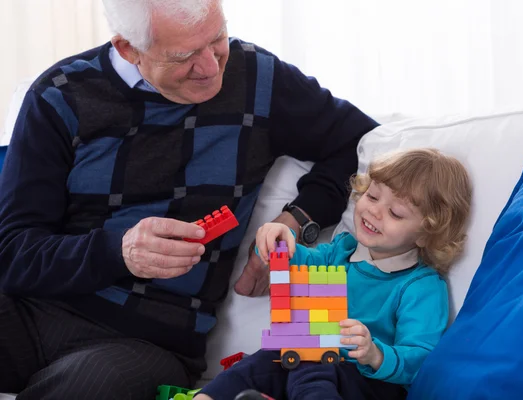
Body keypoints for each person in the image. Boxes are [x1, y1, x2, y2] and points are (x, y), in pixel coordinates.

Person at [0, 0, 379, 398]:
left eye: (217, 39)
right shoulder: (60, 95)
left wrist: (295, 221)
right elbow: (12, 250)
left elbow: (359, 141)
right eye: (184, 56)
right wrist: (119, 251)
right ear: (129, 48)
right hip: (33, 310)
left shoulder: (259, 79)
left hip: (150, 341)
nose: (212, 67)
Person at [195, 148, 473, 400]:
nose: (374, 211)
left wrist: (375, 353)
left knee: (312, 357)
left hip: (369, 384)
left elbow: (420, 359)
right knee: (268, 359)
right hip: (311, 365)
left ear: (426, 234)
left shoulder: (420, 286)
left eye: (396, 213)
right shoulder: (342, 251)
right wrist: (278, 238)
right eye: (373, 196)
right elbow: (299, 261)